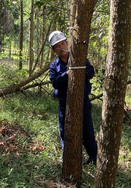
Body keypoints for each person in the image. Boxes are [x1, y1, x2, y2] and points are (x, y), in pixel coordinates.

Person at [48, 31, 98, 164]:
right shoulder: (54, 66)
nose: (61, 47)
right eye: (57, 46)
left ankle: (93, 158)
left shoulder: (78, 58)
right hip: (65, 104)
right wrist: (67, 75)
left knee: (87, 130)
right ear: (54, 50)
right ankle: (68, 159)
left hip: (83, 101)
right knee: (65, 132)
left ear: (67, 43)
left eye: (62, 43)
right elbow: (55, 82)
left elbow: (91, 71)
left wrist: (80, 72)